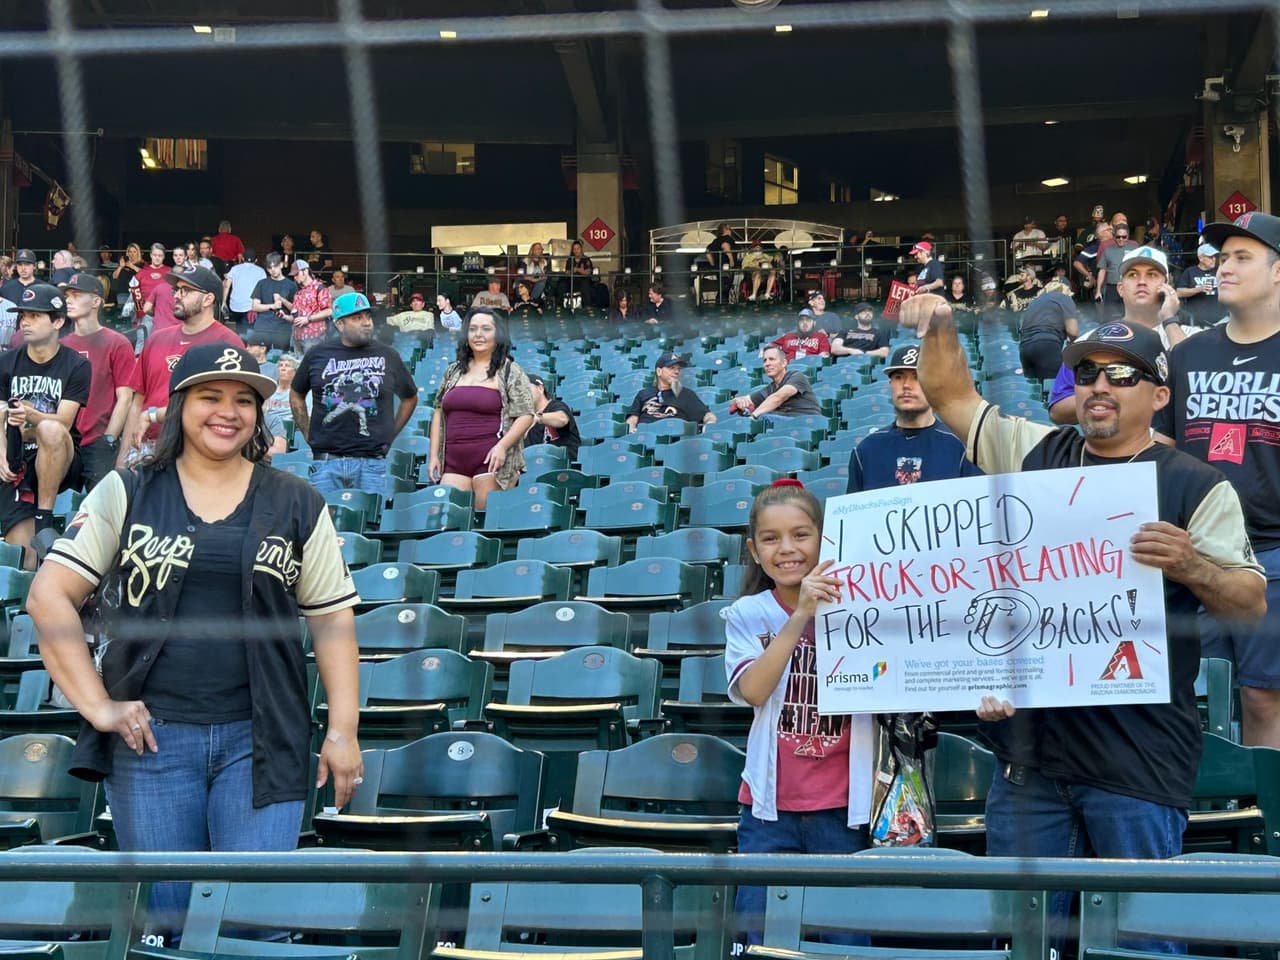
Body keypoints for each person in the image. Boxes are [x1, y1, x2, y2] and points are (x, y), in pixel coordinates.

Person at [913, 296, 1264, 952]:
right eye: (1088, 372)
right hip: (1029, 762)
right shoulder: (1036, 451)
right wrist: (937, 321)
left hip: (1136, 762)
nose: (1100, 386)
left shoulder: (1196, 486)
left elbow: (1248, 604)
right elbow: (948, 392)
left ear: (1159, 395)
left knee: (1139, 944)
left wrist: (1193, 565)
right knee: (1023, 940)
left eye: (1122, 373)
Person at [29, 342, 361, 944]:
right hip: (152, 743)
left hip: (262, 740)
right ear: (180, 404)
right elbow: (48, 597)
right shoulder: (126, 489)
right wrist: (98, 706)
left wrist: (343, 730)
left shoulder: (297, 500)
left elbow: (333, 621)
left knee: (252, 928)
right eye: (210, 396)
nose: (227, 411)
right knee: (169, 926)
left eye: (243, 400)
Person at [724, 479, 875, 945]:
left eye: (801, 535)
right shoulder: (747, 613)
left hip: (845, 812)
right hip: (769, 814)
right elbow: (753, 689)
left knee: (845, 940)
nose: (787, 549)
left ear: (824, 539)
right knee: (760, 939)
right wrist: (801, 615)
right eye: (771, 539)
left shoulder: (866, 605)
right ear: (754, 549)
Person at [1155, 211, 1280, 748]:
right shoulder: (1187, 354)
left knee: (1262, 694)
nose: (1225, 267)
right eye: (1223, 257)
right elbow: (1157, 450)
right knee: (1195, 693)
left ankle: (1265, 822)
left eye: (1242, 257)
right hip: (1196, 553)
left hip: (1274, 553)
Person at [290, 292, 418, 497]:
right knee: (324, 527)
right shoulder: (317, 354)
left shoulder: (388, 355)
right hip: (326, 461)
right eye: (357, 318)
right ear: (339, 324)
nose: (366, 323)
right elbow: (296, 393)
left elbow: (409, 397)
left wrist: (390, 434)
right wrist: (307, 432)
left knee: (368, 525)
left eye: (368, 316)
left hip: (372, 463)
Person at [0, 284, 91, 568]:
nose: (24, 321)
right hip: (19, 455)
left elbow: (64, 422)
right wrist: (1, 452)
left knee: (49, 429)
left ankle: (45, 519)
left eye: (35, 316)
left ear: (58, 322)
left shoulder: (76, 364)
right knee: (25, 559)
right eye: (22, 315)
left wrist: (30, 414)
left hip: (60, 457)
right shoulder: (6, 362)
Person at [1048, 246, 1189, 423]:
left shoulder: (1190, 336)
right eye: (1132, 275)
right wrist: (1113, 396)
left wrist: (1169, 319)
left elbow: (1195, 385)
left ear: (1168, 287)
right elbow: (1057, 409)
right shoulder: (1090, 341)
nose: (1142, 281)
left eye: (1152, 275)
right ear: (1120, 288)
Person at [123, 267, 244, 467]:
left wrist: (154, 415)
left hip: (197, 450)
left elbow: (222, 407)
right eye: (176, 290)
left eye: (185, 290)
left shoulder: (227, 343)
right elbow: (138, 402)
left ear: (208, 299)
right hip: (147, 446)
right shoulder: (156, 339)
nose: (177, 296)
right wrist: (122, 462)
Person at [428, 310, 534, 511]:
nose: (478, 334)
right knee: (446, 519)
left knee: (486, 522)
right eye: (473, 329)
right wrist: (433, 455)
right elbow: (439, 411)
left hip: (491, 461)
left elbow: (526, 415)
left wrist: (502, 446)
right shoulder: (453, 371)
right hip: (453, 460)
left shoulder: (509, 370)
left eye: (486, 329)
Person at [846, 343, 980, 491]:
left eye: (917, 377)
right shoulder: (866, 450)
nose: (906, 385)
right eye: (898, 377)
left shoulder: (961, 448)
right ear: (890, 384)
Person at [59, 274, 136, 489]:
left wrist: (109, 439)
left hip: (98, 440)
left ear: (96, 301)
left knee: (102, 512)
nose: (68, 300)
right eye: (67, 295)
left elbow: (126, 398)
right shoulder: (60, 345)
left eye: (76, 294)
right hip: (64, 440)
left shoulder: (117, 343)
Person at [625, 352, 716, 432]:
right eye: (671, 368)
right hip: (645, 438)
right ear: (659, 371)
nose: (676, 372)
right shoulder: (643, 394)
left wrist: (709, 424)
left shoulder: (686, 394)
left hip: (673, 436)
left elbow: (707, 416)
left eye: (678, 369)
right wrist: (631, 430)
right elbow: (633, 418)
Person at [729, 346, 823, 421]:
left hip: (807, 421)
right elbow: (745, 399)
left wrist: (754, 416)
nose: (767, 363)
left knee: (763, 418)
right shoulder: (770, 388)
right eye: (765, 360)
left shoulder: (796, 376)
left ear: (784, 363)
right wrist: (738, 401)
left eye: (772, 359)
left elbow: (778, 397)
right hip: (785, 423)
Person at [1017, 279, 1080, 380]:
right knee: (1051, 388)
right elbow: (1073, 332)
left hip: (1025, 349)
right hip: (1047, 345)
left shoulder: (1035, 301)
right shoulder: (1064, 298)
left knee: (1035, 389)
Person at [249, 253, 298, 352]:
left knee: (281, 358)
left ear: (281, 265)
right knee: (260, 358)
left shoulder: (291, 285)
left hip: (282, 328)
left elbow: (295, 309)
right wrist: (273, 306)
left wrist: (283, 300)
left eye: (275, 266)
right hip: (262, 327)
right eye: (269, 268)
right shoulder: (262, 283)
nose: (273, 270)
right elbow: (255, 306)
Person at [524, 374, 580, 461]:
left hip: (561, 467)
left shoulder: (556, 405)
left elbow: (562, 419)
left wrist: (538, 418)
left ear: (540, 388)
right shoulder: (524, 418)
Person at [1095, 221, 1138, 318]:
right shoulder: (1108, 250)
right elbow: (1102, 270)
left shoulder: (1135, 248)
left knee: (1131, 317)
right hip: (1112, 288)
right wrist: (1098, 291)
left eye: (1124, 237)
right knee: (1109, 318)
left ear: (1128, 236)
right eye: (1118, 237)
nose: (1121, 239)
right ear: (1114, 236)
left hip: (1129, 287)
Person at [289, 261, 333, 355]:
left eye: (297, 274)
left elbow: (329, 311)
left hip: (314, 337)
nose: (295, 277)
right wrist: (284, 315)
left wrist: (308, 319)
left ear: (305, 271)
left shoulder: (320, 288)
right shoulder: (299, 292)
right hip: (297, 338)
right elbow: (295, 314)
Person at [1174, 242, 1222, 327]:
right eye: (1210, 257)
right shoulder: (1190, 272)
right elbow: (1179, 292)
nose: (1214, 259)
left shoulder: (1220, 271)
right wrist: (1199, 289)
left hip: (1221, 321)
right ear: (1201, 258)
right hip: (1196, 322)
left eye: (1215, 256)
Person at [264, 353, 299, 456]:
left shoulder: (299, 392)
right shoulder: (269, 389)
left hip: (289, 431)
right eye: (280, 365)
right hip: (268, 429)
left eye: (287, 366)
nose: (282, 369)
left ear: (295, 372)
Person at [223, 248, 266, 333]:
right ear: (256, 260)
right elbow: (263, 289)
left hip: (235, 305)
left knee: (239, 329)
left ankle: (241, 342)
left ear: (242, 258)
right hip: (251, 306)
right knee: (249, 331)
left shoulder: (234, 269)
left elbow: (226, 286)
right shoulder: (261, 271)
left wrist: (224, 302)